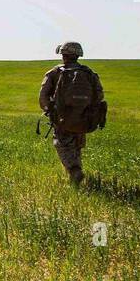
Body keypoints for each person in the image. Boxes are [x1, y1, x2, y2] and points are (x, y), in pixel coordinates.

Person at [38, 42, 105, 185]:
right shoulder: (89, 73)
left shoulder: (55, 73)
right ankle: (75, 176)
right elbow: (99, 95)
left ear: (63, 55)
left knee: (62, 144)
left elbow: (43, 96)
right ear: (78, 55)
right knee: (76, 146)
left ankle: (74, 171)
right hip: (84, 119)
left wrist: (50, 111)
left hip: (62, 118)